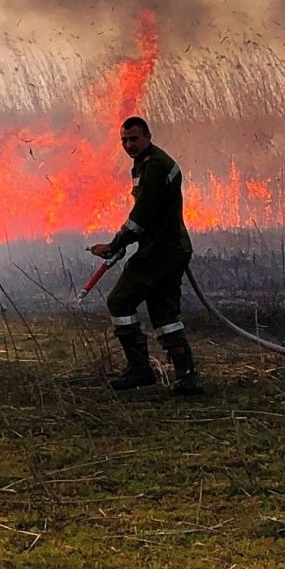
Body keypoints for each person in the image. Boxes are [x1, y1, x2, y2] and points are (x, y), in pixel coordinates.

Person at [89, 116, 201, 395]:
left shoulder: (154, 166)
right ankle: (186, 376)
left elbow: (141, 217)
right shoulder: (147, 163)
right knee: (165, 314)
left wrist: (116, 244)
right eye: (124, 140)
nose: (129, 144)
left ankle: (140, 370)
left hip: (160, 252)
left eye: (134, 138)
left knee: (120, 301)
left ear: (148, 136)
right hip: (169, 248)